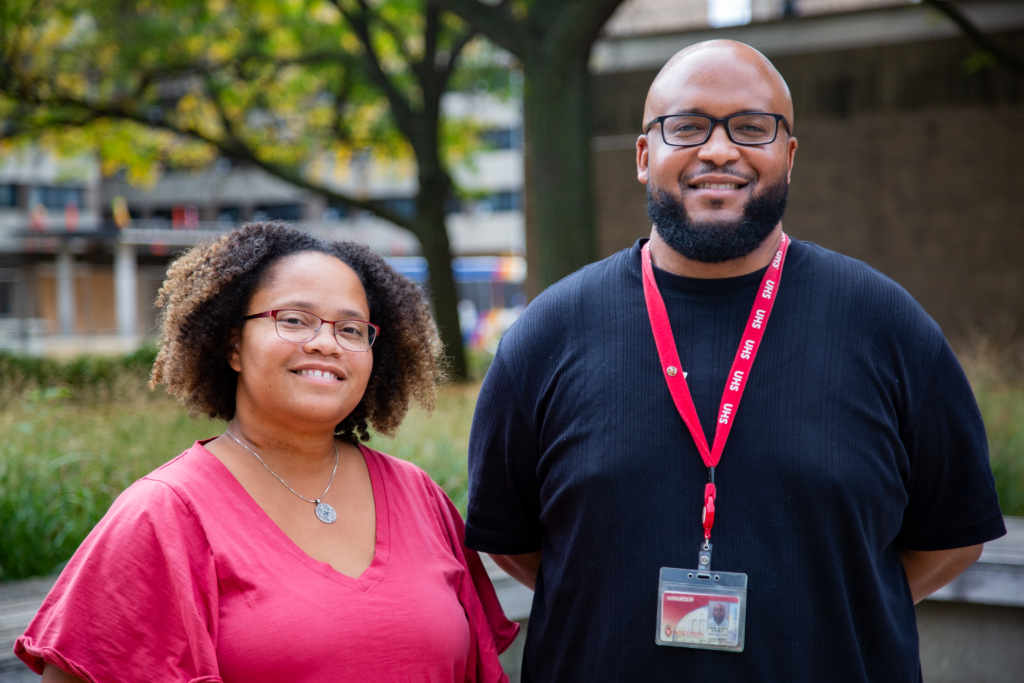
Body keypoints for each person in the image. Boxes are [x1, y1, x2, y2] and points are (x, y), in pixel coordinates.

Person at [464, 40, 1005, 681]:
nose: (719, 150)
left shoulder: (887, 326)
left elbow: (952, 537)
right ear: (644, 156)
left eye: (752, 128)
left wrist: (832, 605)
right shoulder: (546, 336)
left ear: (789, 155)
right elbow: (517, 541)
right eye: (686, 127)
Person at [15, 222, 519, 682]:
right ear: (232, 345)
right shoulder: (163, 515)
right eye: (295, 320)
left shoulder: (419, 496)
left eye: (350, 329)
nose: (326, 343)